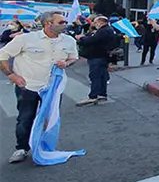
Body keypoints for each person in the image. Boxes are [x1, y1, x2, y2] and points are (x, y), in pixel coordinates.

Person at [0, 11, 78, 163]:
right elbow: (2, 55)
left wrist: (67, 63)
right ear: (48, 23)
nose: (65, 24)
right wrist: (11, 75)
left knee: (50, 118)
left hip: (54, 88)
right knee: (25, 117)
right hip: (28, 86)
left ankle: (43, 147)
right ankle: (21, 148)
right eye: (61, 22)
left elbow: (73, 57)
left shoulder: (69, 40)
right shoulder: (26, 38)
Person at [75, 15, 115, 105]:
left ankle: (93, 96)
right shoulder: (108, 30)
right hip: (103, 56)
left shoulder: (103, 31)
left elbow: (92, 40)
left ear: (101, 22)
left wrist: (81, 38)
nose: (94, 24)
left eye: (96, 22)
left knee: (95, 76)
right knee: (102, 76)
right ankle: (102, 94)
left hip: (97, 56)